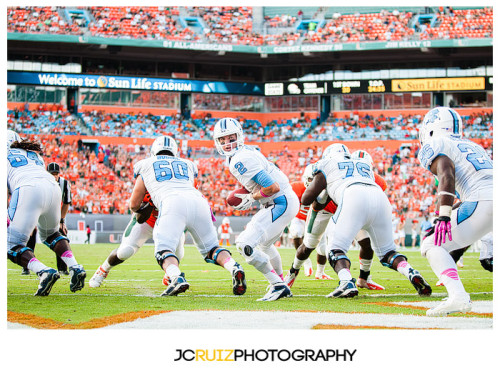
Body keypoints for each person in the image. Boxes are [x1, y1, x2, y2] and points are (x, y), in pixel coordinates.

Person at [301, 144, 431, 298]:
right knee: (388, 253)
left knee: (335, 249)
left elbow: (306, 199)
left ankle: (346, 282)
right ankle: (409, 270)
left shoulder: (327, 163)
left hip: (353, 195)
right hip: (379, 197)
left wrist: (320, 190)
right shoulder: (362, 164)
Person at [129, 135, 246, 296]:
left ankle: (176, 277)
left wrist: (145, 208)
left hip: (172, 202)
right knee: (212, 249)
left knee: (163, 250)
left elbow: (134, 205)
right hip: (198, 201)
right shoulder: (188, 164)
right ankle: (234, 266)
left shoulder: (145, 164)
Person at [213, 118, 299, 301]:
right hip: (284, 200)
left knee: (245, 244)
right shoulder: (246, 152)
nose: (228, 144)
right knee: (265, 246)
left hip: (280, 201)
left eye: (231, 138)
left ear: (239, 136)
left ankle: (278, 285)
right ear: (217, 142)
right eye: (223, 140)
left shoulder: (240, 158)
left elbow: (272, 187)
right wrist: (253, 194)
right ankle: (281, 281)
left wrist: (252, 197)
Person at [418, 107, 492, 316]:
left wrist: (443, 215)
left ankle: (458, 296)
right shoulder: (474, 146)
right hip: (486, 198)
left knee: (431, 243)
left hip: (483, 199)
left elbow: (446, 174)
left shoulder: (436, 144)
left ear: (431, 127)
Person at [285, 148, 385, 291]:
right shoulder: (326, 168)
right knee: (309, 245)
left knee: (365, 242)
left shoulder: (362, 172)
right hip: (323, 209)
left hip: (346, 209)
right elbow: (313, 200)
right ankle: (292, 273)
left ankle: (364, 278)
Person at [7, 130, 86, 296]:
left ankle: (43, 271)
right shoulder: (34, 155)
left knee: (11, 244)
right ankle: (75, 266)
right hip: (52, 187)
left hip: (27, 189)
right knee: (51, 234)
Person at [89, 191, 185, 288]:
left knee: (178, 253)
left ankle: (169, 275)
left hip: (168, 224)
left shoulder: (185, 183)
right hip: (146, 222)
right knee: (124, 251)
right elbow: (140, 218)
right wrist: (151, 202)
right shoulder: (150, 181)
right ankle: (103, 270)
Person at [47, 162, 72, 275]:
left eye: (56, 174)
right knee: (31, 233)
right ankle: (26, 267)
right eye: (52, 174)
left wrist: (62, 221)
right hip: (41, 212)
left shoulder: (64, 184)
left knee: (62, 237)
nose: (54, 176)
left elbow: (66, 203)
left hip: (56, 215)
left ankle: (62, 268)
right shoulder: (40, 184)